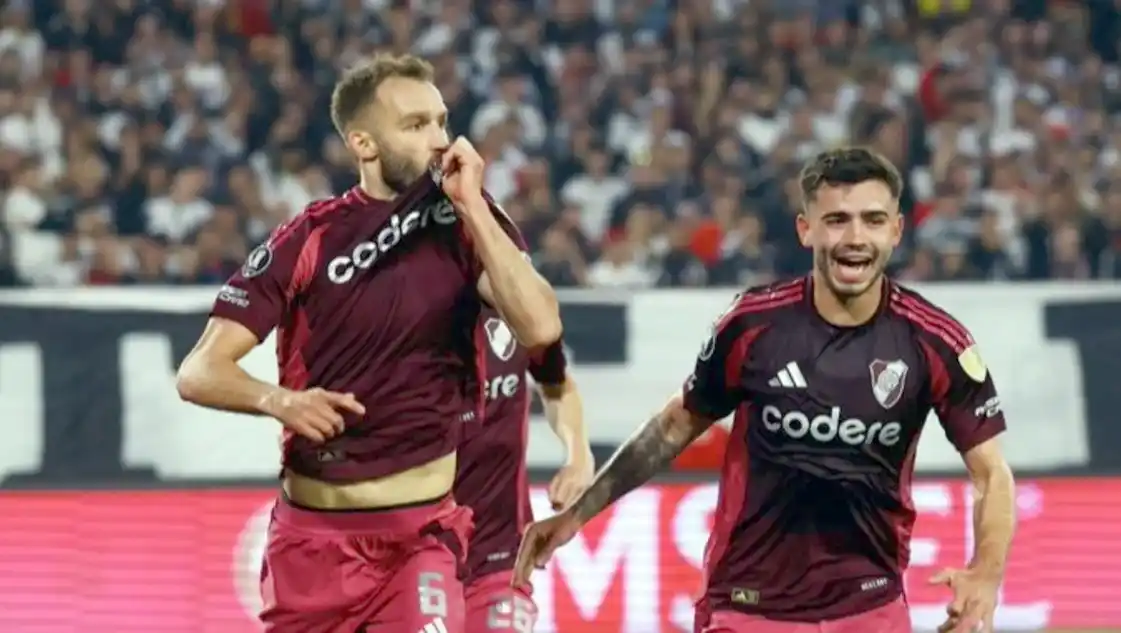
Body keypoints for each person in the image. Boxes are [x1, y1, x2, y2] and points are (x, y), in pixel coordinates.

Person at [513, 147, 1017, 633]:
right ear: (806, 229)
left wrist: (986, 573)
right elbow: (674, 426)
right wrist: (578, 514)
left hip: (871, 606)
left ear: (896, 231)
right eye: (837, 220)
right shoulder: (752, 326)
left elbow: (992, 474)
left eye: (873, 220)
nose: (855, 237)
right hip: (747, 605)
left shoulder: (934, 341)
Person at [175, 53, 562, 633]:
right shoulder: (311, 238)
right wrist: (281, 401)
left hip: (420, 540)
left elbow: (540, 327)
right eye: (415, 125)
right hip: (310, 547)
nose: (439, 139)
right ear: (364, 144)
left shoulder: (466, 227)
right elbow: (199, 371)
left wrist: (474, 207)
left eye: (441, 120)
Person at [456, 309, 593, 633]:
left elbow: (558, 385)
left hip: (499, 558)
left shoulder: (518, 304)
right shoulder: (401, 309)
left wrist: (578, 457)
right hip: (414, 551)